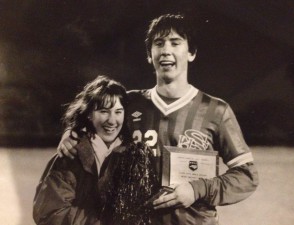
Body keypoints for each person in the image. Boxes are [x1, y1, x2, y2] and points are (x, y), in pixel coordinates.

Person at [57, 14, 259, 225]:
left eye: (175, 42)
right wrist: (73, 134)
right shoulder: (129, 103)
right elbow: (93, 121)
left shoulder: (216, 111)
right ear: (149, 55)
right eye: (159, 43)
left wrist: (196, 189)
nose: (166, 50)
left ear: (191, 53)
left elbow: (247, 176)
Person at [33, 75, 132, 225]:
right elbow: (50, 213)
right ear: (88, 114)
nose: (112, 120)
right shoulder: (71, 154)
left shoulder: (131, 156)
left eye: (118, 112)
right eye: (104, 111)